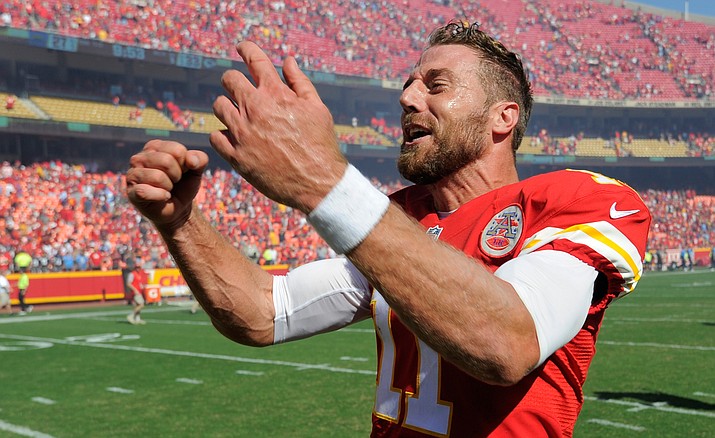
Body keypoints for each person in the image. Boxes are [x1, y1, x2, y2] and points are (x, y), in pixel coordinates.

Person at [126, 21, 651, 437]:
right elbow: (267, 311)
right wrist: (181, 222)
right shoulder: (399, 221)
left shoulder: (579, 200)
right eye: (408, 85)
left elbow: (507, 343)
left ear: (502, 118)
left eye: (436, 86)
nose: (407, 98)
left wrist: (322, 181)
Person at [124, 258, 147, 325]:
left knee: (138, 305)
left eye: (139, 267)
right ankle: (131, 316)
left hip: (139, 291)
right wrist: (135, 290)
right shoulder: (132, 274)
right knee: (141, 304)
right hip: (135, 292)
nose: (138, 269)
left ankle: (137, 319)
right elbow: (128, 283)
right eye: (137, 267)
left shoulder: (139, 274)